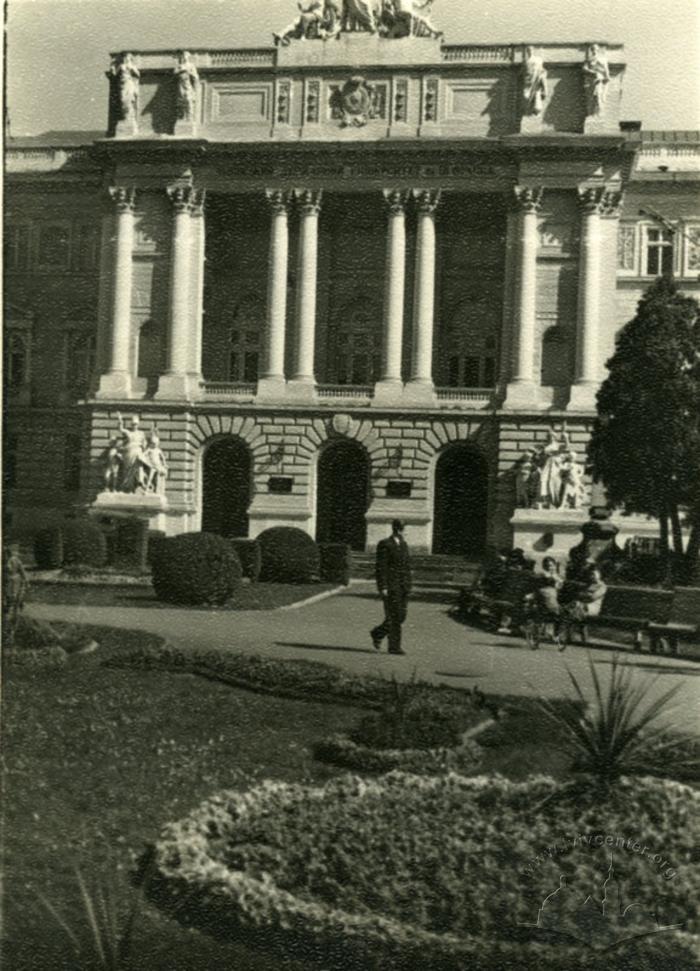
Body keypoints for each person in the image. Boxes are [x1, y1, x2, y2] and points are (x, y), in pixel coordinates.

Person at [370, 519, 412, 655]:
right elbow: (381, 567)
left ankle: (377, 633)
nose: (403, 531)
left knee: (401, 616)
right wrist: (383, 586)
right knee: (395, 617)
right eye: (401, 528)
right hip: (391, 586)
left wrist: (409, 584)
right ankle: (394, 647)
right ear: (396, 529)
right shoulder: (385, 544)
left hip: (403, 586)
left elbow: (406, 567)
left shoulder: (404, 545)